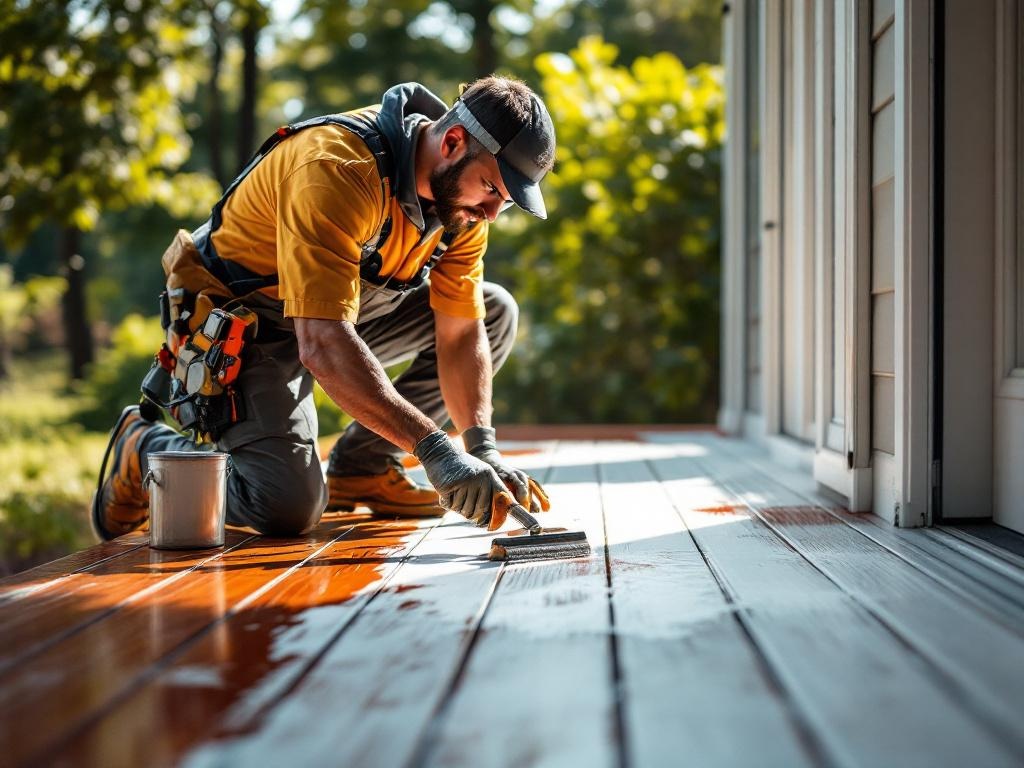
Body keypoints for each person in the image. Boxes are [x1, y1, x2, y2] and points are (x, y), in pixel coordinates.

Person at [92, 76, 555, 540]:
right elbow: (323, 342)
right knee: (284, 505)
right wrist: (435, 450)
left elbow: (458, 333)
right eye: (492, 189)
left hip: (337, 316)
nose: (493, 213)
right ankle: (145, 446)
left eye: (508, 202)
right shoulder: (338, 166)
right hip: (249, 326)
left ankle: (363, 467)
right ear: (453, 141)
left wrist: (481, 447)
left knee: (493, 311)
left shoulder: (461, 206)